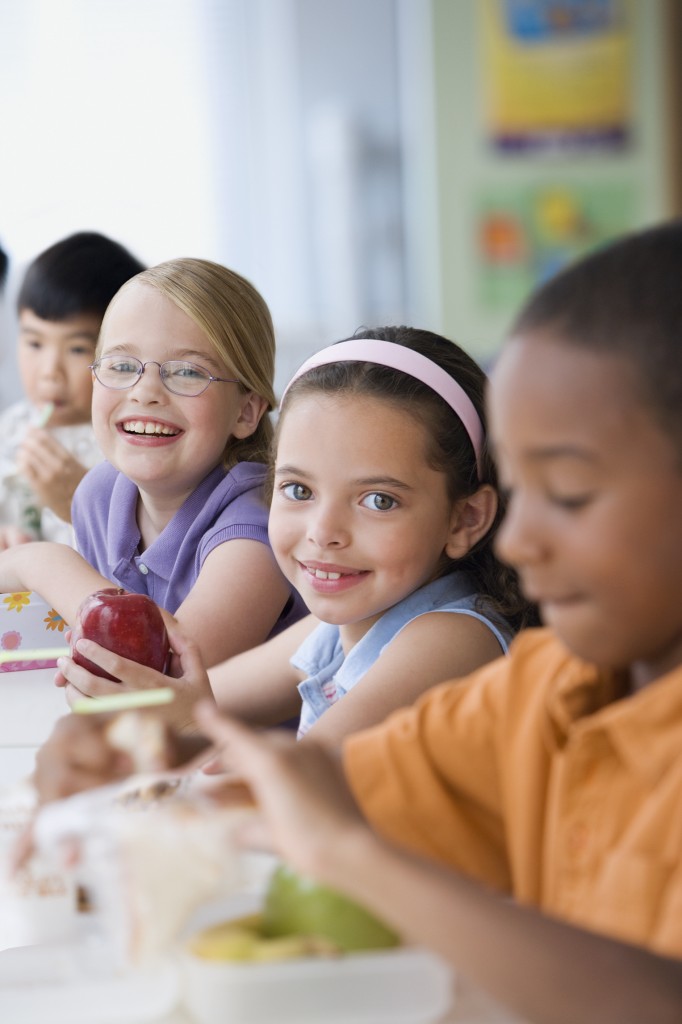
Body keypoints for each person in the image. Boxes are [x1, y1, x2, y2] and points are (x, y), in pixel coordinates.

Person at [31, 221, 682, 1023]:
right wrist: (131, 750)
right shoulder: (545, 691)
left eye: (573, 495)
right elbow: (309, 789)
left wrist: (341, 847)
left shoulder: (466, 645)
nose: (522, 539)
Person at [51, 327, 535, 741]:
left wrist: (183, 722)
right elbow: (194, 706)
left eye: (378, 501)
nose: (324, 533)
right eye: (298, 489)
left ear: (466, 519)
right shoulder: (340, 626)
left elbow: (302, 781)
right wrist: (139, 704)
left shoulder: (451, 638)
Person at [0, 257, 307, 669]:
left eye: (187, 372)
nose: (145, 392)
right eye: (123, 366)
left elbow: (163, 676)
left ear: (246, 412)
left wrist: (40, 563)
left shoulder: (255, 529)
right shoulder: (98, 494)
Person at [0, 232, 145, 549]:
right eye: (35, 343)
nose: (50, 371)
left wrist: (78, 500)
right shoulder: (10, 427)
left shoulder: (129, 446)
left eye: (77, 349)